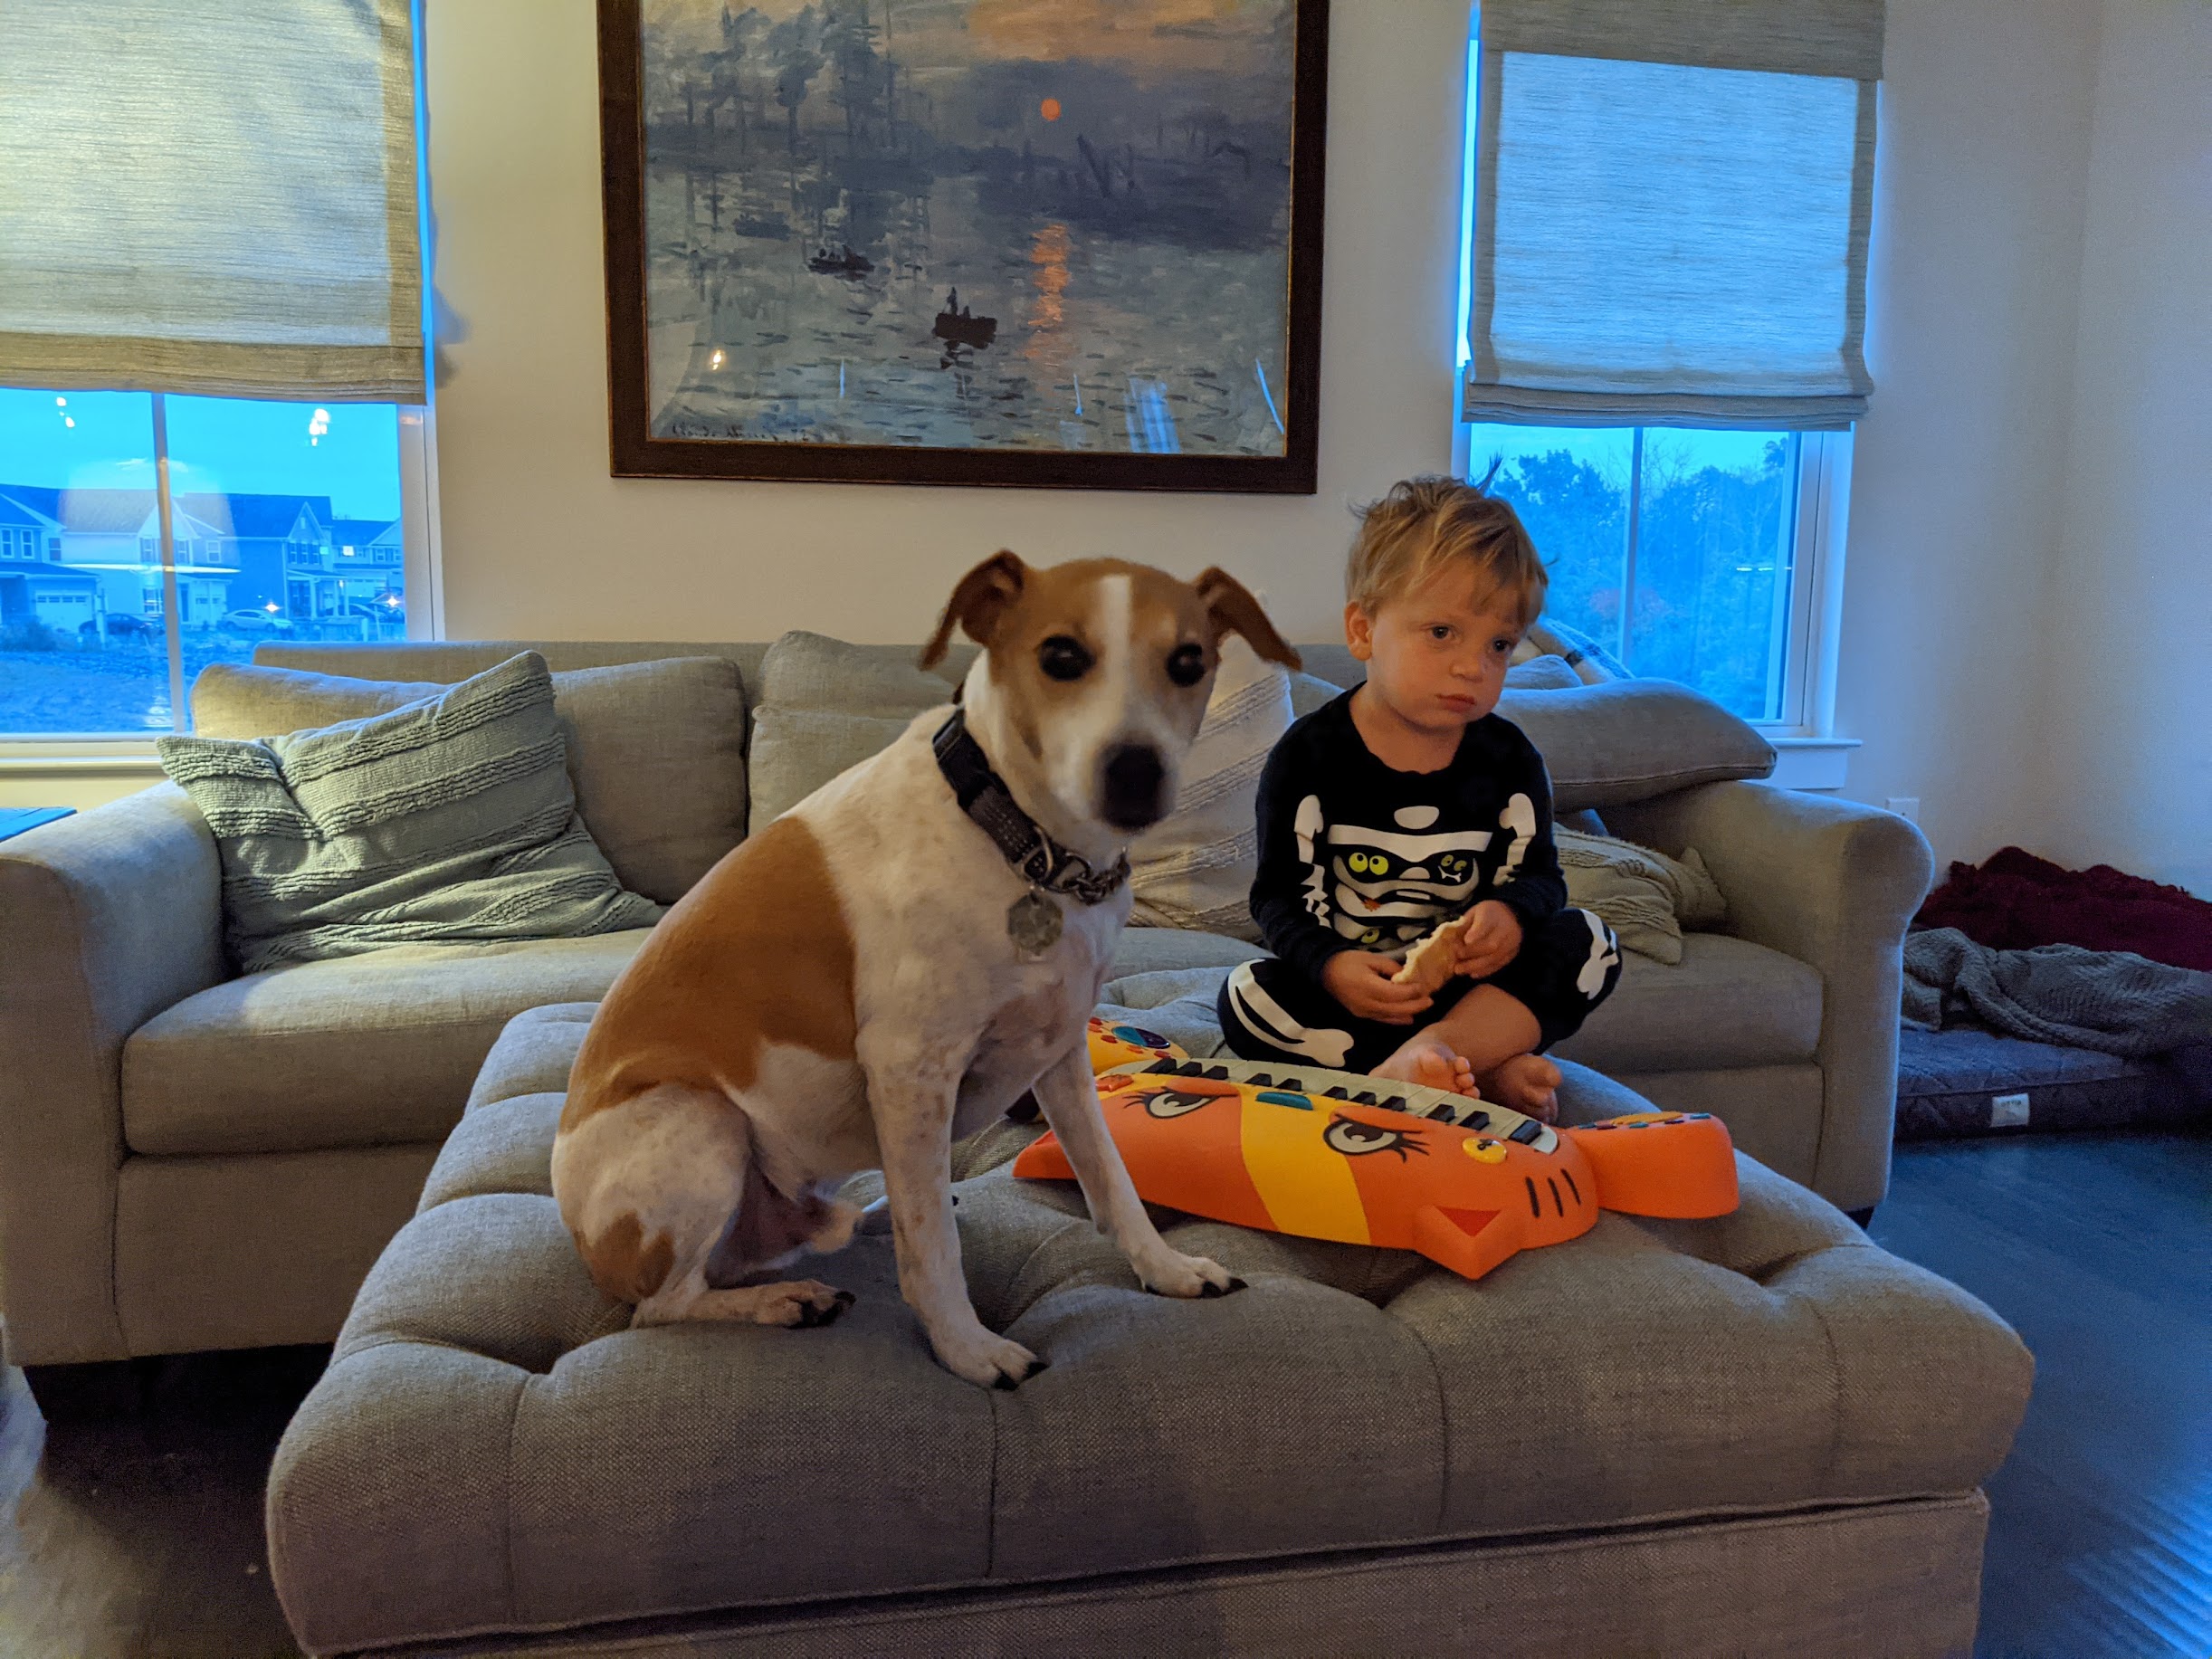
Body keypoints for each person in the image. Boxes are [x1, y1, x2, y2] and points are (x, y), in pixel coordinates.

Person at [1216, 473, 1622, 1120]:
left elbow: (1542, 877)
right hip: (1352, 992)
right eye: (1441, 633)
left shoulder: (1511, 760)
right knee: (1245, 995)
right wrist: (1330, 965)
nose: (1473, 666)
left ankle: (1438, 1056)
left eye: (1498, 645)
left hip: (1470, 995)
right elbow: (1277, 897)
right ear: (1362, 630)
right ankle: (1471, 1073)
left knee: (1593, 942)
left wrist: (1513, 915)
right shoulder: (1308, 755)